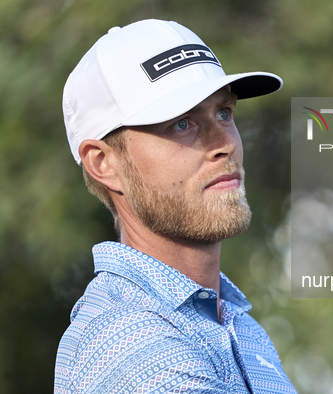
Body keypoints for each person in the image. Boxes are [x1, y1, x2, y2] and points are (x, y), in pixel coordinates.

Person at [55, 19, 296, 393]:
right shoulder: (129, 340)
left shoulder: (237, 325)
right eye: (182, 123)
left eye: (224, 113)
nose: (225, 144)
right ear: (104, 164)